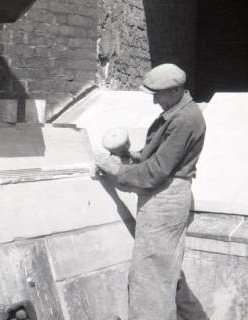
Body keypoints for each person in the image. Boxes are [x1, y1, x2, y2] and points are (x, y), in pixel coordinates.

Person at [95, 63, 209, 320]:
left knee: (151, 278)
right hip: (167, 195)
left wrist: (116, 169)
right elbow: (162, 157)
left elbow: (157, 171)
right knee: (167, 270)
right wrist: (133, 155)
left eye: (158, 94)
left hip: (165, 199)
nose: (154, 100)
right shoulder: (179, 111)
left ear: (176, 90)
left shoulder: (184, 119)